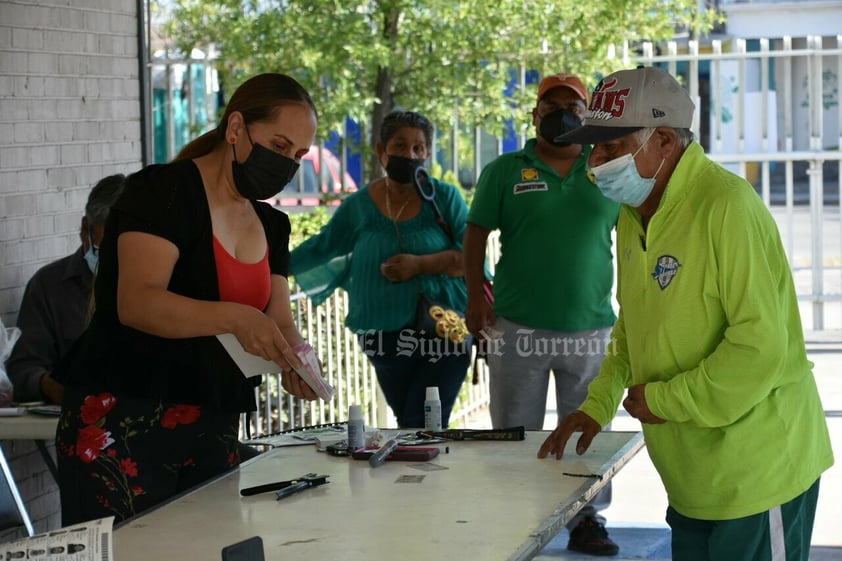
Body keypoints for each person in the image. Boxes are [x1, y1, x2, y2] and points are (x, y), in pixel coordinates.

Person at [539, 66, 834, 561]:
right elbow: (633, 326)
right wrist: (598, 404)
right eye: (595, 148)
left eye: (612, 147)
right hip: (692, 482)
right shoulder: (633, 215)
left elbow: (759, 349)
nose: (596, 162)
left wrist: (665, 400)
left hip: (759, 477)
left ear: (664, 141)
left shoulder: (726, 206)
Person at [53, 73, 321, 525]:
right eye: (279, 146)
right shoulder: (161, 191)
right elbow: (137, 302)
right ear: (236, 128)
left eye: (298, 155)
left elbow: (278, 319)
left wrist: (297, 361)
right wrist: (235, 318)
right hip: (125, 414)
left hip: (216, 421)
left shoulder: (273, 224)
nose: (287, 165)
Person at [463, 72, 620, 556]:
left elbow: (636, 238)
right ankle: (518, 523)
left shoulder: (608, 168)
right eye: (549, 106)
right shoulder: (506, 170)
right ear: (534, 115)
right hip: (517, 328)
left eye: (570, 104)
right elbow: (475, 235)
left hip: (591, 328)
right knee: (515, 432)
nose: (559, 113)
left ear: (586, 113)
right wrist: (475, 296)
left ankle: (587, 520)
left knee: (588, 433)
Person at [289, 110, 470, 429]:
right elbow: (323, 246)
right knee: (409, 422)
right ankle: (417, 478)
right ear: (381, 150)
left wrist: (419, 266)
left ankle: (423, 477)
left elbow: (471, 256)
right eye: (400, 146)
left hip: (444, 331)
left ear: (428, 152)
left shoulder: (443, 197)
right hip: (382, 338)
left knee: (424, 422)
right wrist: (267, 267)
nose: (410, 155)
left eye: (418, 148)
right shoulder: (359, 206)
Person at [7, 174, 126, 405]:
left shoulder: (165, 286)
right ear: (85, 230)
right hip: (75, 424)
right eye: (107, 250)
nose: (115, 263)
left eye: (125, 252)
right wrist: (48, 385)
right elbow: (22, 369)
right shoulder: (49, 287)